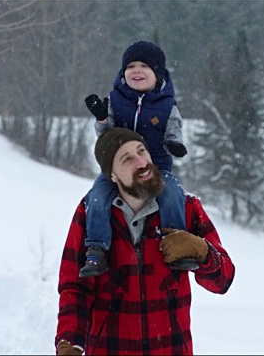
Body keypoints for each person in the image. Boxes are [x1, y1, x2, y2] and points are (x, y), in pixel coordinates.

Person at [55, 127, 235, 355]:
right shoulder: (92, 215)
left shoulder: (185, 208)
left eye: (142, 151)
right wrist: (69, 341)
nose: (141, 162)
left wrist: (203, 252)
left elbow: (224, 280)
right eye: (127, 158)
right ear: (112, 175)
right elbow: (74, 286)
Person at [80, 40, 192, 277]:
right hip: (118, 170)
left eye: (144, 66)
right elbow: (105, 135)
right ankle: (96, 250)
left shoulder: (167, 106)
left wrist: (174, 143)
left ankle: (177, 244)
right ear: (123, 73)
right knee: (97, 196)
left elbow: (174, 128)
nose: (136, 71)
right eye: (130, 66)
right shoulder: (116, 101)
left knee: (172, 193)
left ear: (158, 74)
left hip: (157, 167)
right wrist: (101, 118)